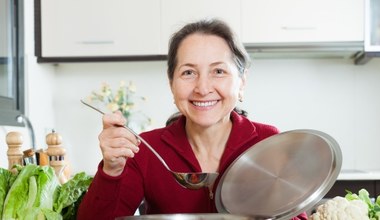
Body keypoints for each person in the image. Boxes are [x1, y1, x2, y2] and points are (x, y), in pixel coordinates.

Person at [77, 19, 308, 220]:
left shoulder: (268, 143)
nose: (203, 88)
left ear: (242, 82)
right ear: (171, 84)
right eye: (188, 72)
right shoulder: (144, 150)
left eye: (218, 71)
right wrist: (112, 170)